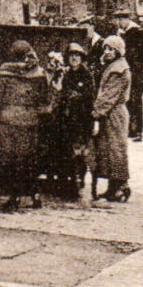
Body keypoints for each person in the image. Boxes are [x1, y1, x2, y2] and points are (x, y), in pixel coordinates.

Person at [0, 41, 54, 209]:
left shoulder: (4, 72)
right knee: (28, 160)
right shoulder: (39, 73)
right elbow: (45, 99)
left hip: (6, 121)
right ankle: (34, 195)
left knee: (9, 160)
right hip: (30, 121)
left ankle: (13, 196)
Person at [50, 42, 96, 198]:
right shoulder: (66, 74)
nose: (74, 58)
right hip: (66, 119)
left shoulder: (87, 75)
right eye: (71, 55)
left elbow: (89, 97)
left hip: (81, 120)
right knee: (64, 151)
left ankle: (78, 182)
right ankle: (65, 183)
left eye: (77, 55)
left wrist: (75, 96)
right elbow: (59, 93)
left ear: (82, 58)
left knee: (79, 152)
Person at [90, 35, 132, 202]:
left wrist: (95, 113)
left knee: (115, 150)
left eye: (111, 49)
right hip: (112, 113)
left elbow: (109, 96)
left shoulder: (118, 70)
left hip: (114, 114)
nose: (106, 52)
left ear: (118, 51)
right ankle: (113, 188)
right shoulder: (114, 66)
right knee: (110, 150)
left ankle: (121, 186)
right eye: (105, 48)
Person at [117, 13, 143, 141]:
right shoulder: (124, 33)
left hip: (136, 75)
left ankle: (138, 130)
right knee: (129, 102)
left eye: (121, 19)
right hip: (128, 74)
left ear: (127, 19)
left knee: (136, 102)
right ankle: (131, 130)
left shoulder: (137, 32)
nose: (119, 22)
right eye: (118, 20)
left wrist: (140, 70)